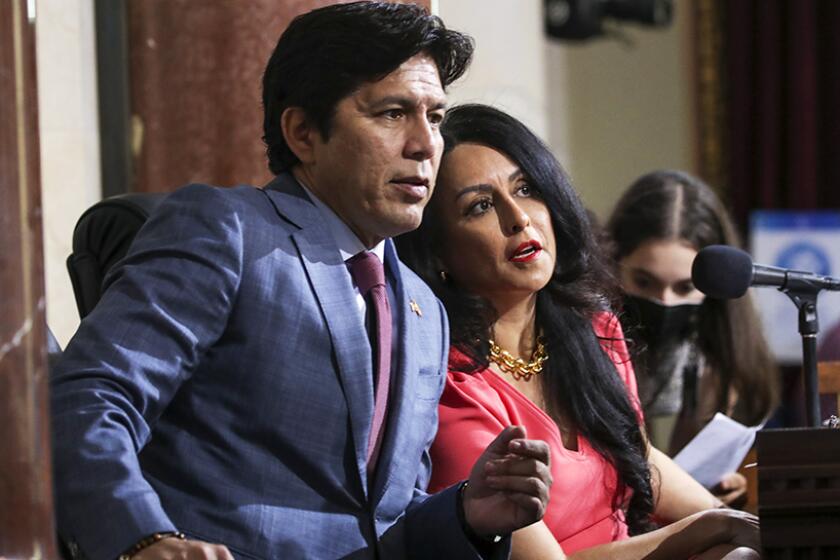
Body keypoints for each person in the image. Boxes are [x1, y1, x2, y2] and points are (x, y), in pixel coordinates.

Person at [50, 5, 553, 560]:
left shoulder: (424, 308)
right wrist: (141, 539)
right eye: (392, 113)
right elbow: (89, 396)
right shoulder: (228, 231)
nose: (425, 144)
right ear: (303, 132)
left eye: (435, 116)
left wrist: (467, 515)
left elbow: (382, 520)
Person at [397, 104, 761, 559]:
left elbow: (639, 459)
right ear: (440, 253)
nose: (519, 218)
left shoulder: (593, 327)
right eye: (481, 206)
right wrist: (704, 529)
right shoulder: (450, 385)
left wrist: (739, 525)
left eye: (526, 188)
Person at [606, 170, 780, 505]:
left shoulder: (722, 345)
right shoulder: (593, 334)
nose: (665, 301)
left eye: (685, 287)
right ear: (614, 264)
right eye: (644, 282)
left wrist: (724, 488)